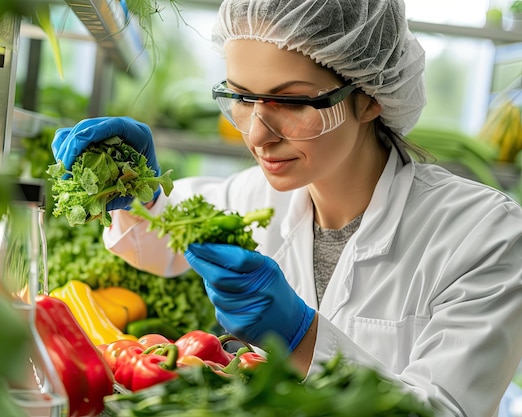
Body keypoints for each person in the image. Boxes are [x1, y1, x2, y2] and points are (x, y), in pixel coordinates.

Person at [51, 0, 522, 416]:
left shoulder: (484, 237)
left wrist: (301, 337)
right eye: (240, 97)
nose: (257, 135)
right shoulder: (258, 197)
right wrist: (138, 189)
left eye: (292, 101)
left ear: (370, 97)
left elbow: (444, 409)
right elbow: (167, 239)